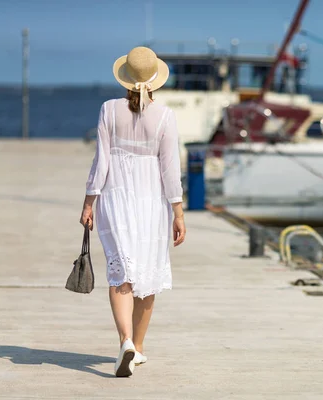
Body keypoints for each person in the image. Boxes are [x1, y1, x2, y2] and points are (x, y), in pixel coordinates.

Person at [79, 46, 186, 378]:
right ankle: (137, 349)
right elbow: (171, 171)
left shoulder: (109, 110)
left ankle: (125, 341)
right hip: (152, 203)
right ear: (155, 80)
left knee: (121, 271)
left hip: (115, 197)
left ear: (125, 78)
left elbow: (102, 162)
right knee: (148, 275)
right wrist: (178, 213)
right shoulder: (165, 116)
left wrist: (88, 202)